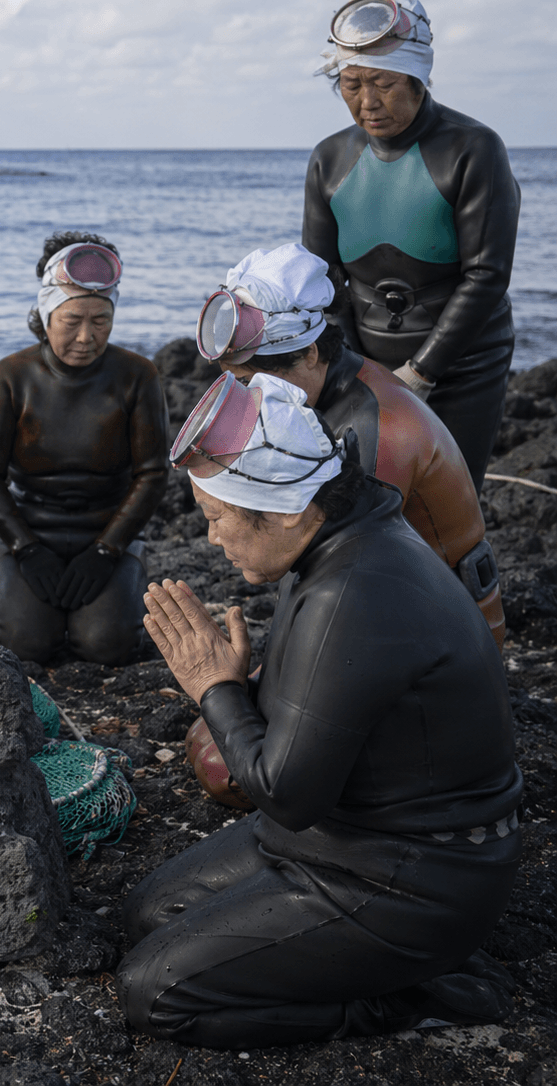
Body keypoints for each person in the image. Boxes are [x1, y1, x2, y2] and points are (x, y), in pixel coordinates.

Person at [117, 368, 522, 1048]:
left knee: (152, 994)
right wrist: (244, 688)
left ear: (282, 511)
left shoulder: (354, 593)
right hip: (336, 837)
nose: (213, 537)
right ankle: (368, 968)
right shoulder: (339, 537)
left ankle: (409, 999)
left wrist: (214, 688)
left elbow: (286, 793)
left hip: (414, 882)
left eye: (216, 517)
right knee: (151, 914)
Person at [186, 242, 506, 808]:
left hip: (432, 636)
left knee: (224, 764)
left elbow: (348, 564)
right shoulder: (325, 394)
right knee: (217, 730)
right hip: (372, 605)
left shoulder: (378, 429)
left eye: (260, 382)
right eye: (236, 384)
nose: (253, 401)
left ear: (310, 354)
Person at [304, 0, 521, 488]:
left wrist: (420, 375)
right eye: (351, 84)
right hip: (365, 362)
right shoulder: (329, 159)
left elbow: (487, 275)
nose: (368, 101)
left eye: (383, 83)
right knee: (366, 501)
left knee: (448, 503)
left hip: (464, 364)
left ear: (418, 79)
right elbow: (322, 281)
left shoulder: (473, 148)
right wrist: (355, 372)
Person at [0, 232, 167, 665]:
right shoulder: (9, 377)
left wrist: (107, 550)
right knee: (25, 648)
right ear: (45, 314)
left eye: (100, 320)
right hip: (29, 532)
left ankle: (125, 568)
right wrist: (25, 548)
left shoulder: (137, 376)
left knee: (106, 648)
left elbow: (153, 473)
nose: (86, 336)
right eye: (72, 320)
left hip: (106, 533)